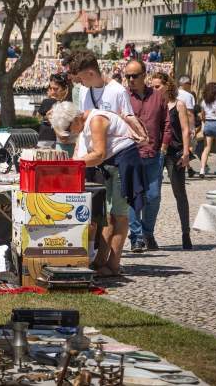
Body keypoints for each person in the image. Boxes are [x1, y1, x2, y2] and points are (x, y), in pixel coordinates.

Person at [49, 101, 145, 277]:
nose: (71, 134)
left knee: (119, 215)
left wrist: (70, 164)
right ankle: (101, 261)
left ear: (75, 119)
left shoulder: (96, 120)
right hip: (112, 165)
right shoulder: (84, 123)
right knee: (108, 216)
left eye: (69, 129)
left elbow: (99, 154)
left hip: (124, 163)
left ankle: (113, 265)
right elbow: (86, 154)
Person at [125, 61, 170, 251]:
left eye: (134, 76)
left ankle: (148, 232)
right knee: (135, 196)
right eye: (127, 76)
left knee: (153, 196)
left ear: (145, 75)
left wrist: (164, 147)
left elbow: (166, 122)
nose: (131, 80)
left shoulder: (158, 96)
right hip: (130, 154)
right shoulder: (124, 96)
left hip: (153, 154)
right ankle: (136, 237)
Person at [153, 74, 193, 249]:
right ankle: (147, 235)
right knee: (152, 194)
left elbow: (185, 130)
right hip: (156, 152)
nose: (153, 89)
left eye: (156, 86)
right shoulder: (155, 105)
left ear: (166, 85)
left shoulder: (179, 104)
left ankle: (186, 233)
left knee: (179, 193)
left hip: (174, 152)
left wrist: (186, 153)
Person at [68, 51, 133, 115]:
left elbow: (129, 121)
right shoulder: (83, 90)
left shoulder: (119, 91)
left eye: (80, 77)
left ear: (91, 74)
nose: (79, 81)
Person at [199, 82, 216, 177]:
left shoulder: (203, 101)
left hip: (208, 124)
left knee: (206, 148)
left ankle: (202, 170)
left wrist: (205, 121)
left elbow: (202, 115)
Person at [37, 73, 70, 148]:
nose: (52, 92)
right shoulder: (48, 101)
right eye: (51, 88)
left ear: (64, 89)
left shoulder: (65, 104)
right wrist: (47, 118)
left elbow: (38, 117)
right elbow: (38, 118)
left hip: (52, 138)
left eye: (56, 89)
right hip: (48, 138)